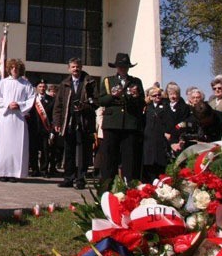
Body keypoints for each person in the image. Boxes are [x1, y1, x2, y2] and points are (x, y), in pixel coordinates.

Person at [98, 52, 145, 183]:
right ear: (116, 67)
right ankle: (107, 186)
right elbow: (101, 101)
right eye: (120, 66)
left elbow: (142, 103)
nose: (123, 68)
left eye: (125, 66)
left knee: (129, 158)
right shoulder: (108, 81)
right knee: (109, 158)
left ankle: (130, 186)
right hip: (112, 123)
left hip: (129, 124)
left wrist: (135, 96)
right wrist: (113, 95)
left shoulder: (136, 81)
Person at [52, 57, 98, 189]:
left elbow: (96, 101)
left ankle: (80, 179)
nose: (75, 69)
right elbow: (58, 105)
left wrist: (85, 106)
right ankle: (68, 178)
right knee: (69, 150)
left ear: (81, 67)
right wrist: (57, 121)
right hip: (69, 120)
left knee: (83, 151)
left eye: (77, 66)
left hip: (84, 120)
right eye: (73, 67)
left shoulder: (90, 81)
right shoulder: (64, 83)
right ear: (69, 69)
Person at [0, 59, 35, 182]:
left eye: (17, 68)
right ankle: (2, 172)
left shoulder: (26, 84)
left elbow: (31, 99)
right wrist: (7, 105)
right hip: (5, 118)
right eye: (12, 67)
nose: (15, 69)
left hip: (19, 119)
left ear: (20, 69)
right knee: (4, 146)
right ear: (9, 69)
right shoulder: (3, 83)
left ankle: (15, 174)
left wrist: (20, 105)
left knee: (17, 146)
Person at [141, 87, 173, 183]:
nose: (157, 97)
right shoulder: (147, 107)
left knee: (159, 159)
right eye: (154, 95)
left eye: (159, 95)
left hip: (160, 136)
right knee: (149, 160)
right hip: (148, 137)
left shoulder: (166, 105)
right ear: (150, 97)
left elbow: (169, 121)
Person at [28, 78, 54, 177]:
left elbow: (52, 116)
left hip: (45, 130)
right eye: (40, 86)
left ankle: (44, 170)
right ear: (36, 88)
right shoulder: (32, 100)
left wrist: (52, 130)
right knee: (33, 150)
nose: (42, 88)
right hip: (34, 129)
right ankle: (35, 169)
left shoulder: (51, 99)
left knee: (45, 151)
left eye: (44, 87)